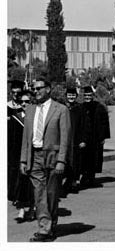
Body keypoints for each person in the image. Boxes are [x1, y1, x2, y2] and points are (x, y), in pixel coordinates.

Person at [20, 78, 71, 241]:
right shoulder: (30, 109)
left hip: (53, 156)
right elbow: (26, 137)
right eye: (34, 89)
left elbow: (65, 137)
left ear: (48, 89)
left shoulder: (61, 109)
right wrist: (23, 159)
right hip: (34, 155)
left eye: (39, 88)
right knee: (39, 193)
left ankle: (51, 224)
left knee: (51, 193)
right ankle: (44, 228)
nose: (36, 91)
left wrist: (62, 160)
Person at [9, 87, 35, 223]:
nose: (24, 104)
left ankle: (31, 209)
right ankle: (21, 209)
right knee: (20, 183)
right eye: (22, 102)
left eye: (28, 101)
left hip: (34, 156)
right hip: (19, 156)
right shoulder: (16, 118)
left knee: (31, 184)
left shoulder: (37, 118)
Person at [79, 86, 110, 188]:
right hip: (84, 138)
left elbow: (104, 123)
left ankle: (91, 178)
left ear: (92, 95)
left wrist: (103, 137)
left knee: (94, 159)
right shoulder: (81, 107)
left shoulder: (99, 107)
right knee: (84, 159)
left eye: (89, 95)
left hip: (95, 138)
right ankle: (84, 176)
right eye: (86, 95)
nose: (87, 97)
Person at [62, 87, 88, 194]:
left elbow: (84, 125)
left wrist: (83, 140)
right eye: (69, 95)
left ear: (76, 96)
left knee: (76, 162)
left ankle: (74, 182)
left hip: (76, 139)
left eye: (73, 95)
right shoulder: (63, 108)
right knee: (65, 161)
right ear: (66, 96)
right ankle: (65, 182)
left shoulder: (80, 108)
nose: (71, 97)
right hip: (64, 139)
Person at [8, 80, 24, 203]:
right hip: (8, 143)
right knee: (10, 169)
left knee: (19, 170)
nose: (15, 95)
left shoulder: (24, 107)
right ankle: (11, 193)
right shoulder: (6, 106)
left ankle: (18, 195)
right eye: (13, 92)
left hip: (20, 143)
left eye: (18, 93)